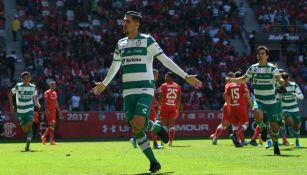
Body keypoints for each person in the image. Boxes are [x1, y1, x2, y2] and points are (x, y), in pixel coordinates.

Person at [92, 11, 202, 173]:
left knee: (138, 121)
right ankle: (154, 161)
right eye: (123, 21)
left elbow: (164, 59)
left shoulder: (147, 40)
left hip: (145, 87)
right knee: (136, 128)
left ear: (137, 24)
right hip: (128, 90)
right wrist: (104, 83)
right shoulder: (120, 43)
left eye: (127, 21)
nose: (124, 24)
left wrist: (185, 76)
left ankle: (157, 128)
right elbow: (115, 66)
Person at [226, 45, 285, 155]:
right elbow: (243, 79)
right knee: (257, 117)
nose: (260, 55)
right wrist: (231, 79)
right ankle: (263, 129)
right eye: (259, 54)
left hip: (271, 101)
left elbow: (279, 78)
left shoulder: (272, 68)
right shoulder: (253, 68)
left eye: (263, 53)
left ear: (267, 56)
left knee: (274, 126)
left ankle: (276, 145)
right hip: (259, 100)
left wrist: (281, 81)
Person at [8, 71, 41, 151]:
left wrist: (37, 103)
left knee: (30, 123)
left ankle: (28, 145)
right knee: (25, 129)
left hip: (30, 108)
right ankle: (30, 135)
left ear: (30, 78)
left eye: (28, 78)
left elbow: (35, 96)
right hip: (20, 109)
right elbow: (10, 94)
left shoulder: (33, 87)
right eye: (24, 78)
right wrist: (11, 105)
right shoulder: (18, 86)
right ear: (22, 79)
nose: (26, 79)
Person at [158, 72, 182, 147]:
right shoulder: (178, 86)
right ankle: (171, 142)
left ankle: (162, 142)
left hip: (165, 106)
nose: (165, 77)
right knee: (172, 125)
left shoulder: (164, 85)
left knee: (163, 125)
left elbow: (160, 97)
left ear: (170, 77)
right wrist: (177, 109)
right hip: (173, 106)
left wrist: (159, 106)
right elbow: (178, 99)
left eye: (166, 76)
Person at [281, 72, 304, 148]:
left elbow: (301, 97)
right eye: (282, 80)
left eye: (285, 80)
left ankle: (297, 141)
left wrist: (295, 95)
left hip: (294, 109)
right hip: (285, 109)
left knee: (297, 127)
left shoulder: (294, 85)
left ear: (287, 79)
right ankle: (289, 126)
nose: (284, 82)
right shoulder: (279, 86)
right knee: (290, 122)